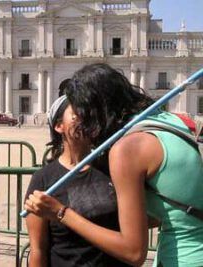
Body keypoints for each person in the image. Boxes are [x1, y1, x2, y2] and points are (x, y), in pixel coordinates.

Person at [25, 63, 203, 266]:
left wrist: (61, 213)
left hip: (183, 258)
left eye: (83, 115)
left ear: (96, 109)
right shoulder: (171, 122)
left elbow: (134, 253)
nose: (84, 125)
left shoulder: (127, 149)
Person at [25, 95, 130, 267]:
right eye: (77, 113)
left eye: (89, 113)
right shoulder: (43, 179)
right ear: (59, 126)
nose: (86, 118)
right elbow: (38, 249)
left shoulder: (114, 168)